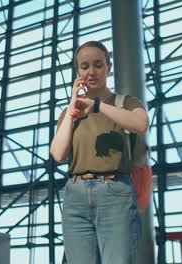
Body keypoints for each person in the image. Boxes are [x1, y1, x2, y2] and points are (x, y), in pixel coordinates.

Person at [50, 40, 149, 264]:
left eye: (98, 65)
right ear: (78, 71)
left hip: (114, 192)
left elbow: (141, 124)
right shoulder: (69, 112)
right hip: (75, 195)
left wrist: (96, 105)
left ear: (109, 68)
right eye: (84, 66)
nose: (91, 71)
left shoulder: (124, 102)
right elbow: (58, 154)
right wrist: (73, 109)